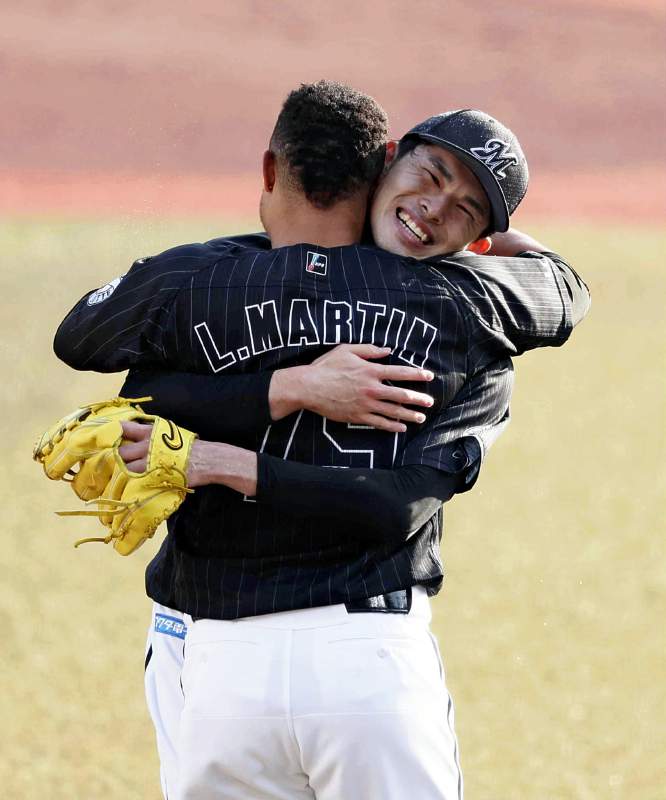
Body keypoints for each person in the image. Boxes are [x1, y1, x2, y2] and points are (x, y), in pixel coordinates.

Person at [52, 81, 589, 799]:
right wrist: (293, 387)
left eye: (464, 209)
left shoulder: (207, 280)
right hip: (366, 652)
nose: (435, 209)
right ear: (385, 162)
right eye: (431, 179)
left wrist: (228, 440)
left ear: (272, 170)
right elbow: (564, 292)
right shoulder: (471, 304)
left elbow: (108, 370)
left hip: (217, 659)